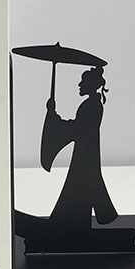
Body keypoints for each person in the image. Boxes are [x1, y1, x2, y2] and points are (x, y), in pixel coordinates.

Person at [45, 66, 117, 232]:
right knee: (89, 181)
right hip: (86, 150)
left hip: (86, 152)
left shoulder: (92, 105)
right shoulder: (92, 104)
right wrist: (54, 115)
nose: (79, 85)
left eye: (83, 82)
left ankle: (77, 219)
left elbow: (79, 128)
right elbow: (78, 127)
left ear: (90, 85)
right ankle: (101, 214)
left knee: (82, 181)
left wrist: (54, 118)